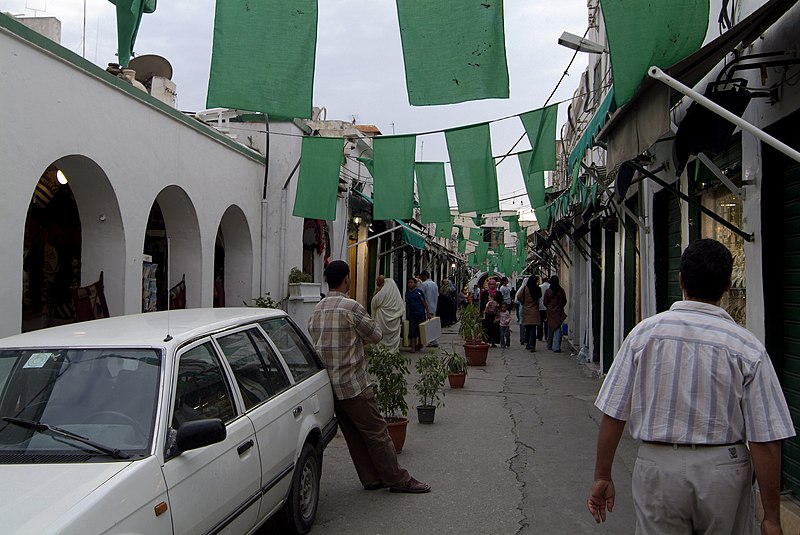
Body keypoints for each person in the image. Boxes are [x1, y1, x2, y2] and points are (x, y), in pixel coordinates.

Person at [587, 239, 794, 534]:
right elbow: (766, 437)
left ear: (681, 280)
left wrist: (602, 475)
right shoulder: (747, 347)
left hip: (658, 468)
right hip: (724, 472)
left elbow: (614, 411)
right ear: (726, 287)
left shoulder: (643, 335)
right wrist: (771, 517)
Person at [308, 261, 430, 494]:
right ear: (346, 279)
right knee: (377, 433)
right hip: (353, 384)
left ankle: (371, 478)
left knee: (353, 435)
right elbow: (376, 335)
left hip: (329, 387)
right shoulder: (350, 307)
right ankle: (398, 479)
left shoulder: (317, 309)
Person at [370, 275, 404, 352]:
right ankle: (392, 351)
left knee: (381, 335)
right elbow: (400, 306)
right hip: (394, 319)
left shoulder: (381, 293)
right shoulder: (395, 295)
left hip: (382, 318)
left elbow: (375, 302)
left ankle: (381, 350)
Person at [543, 275, 567, 352]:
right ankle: (557, 347)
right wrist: (559, 306)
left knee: (550, 328)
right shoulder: (561, 291)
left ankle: (549, 345)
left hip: (550, 311)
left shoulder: (548, 291)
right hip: (559, 310)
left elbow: (545, 302)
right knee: (557, 328)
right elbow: (564, 301)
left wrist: (550, 306)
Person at [405, 278, 428, 352]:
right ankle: (413, 347)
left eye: (411, 282)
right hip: (412, 314)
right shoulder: (407, 293)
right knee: (412, 330)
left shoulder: (419, 292)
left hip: (420, 313)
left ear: (415, 284)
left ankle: (420, 343)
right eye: (409, 282)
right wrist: (407, 314)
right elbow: (407, 304)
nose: (409, 284)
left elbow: (424, 303)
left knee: (420, 330)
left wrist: (428, 313)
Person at [521, 275, 542, 352]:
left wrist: (524, 302)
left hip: (526, 311)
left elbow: (519, 297)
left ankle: (528, 344)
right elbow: (540, 297)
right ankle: (532, 345)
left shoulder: (525, 289)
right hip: (535, 311)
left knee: (528, 328)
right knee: (533, 328)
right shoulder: (538, 289)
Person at [514, 277, 529, 345]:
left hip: (521, 308)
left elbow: (516, 299)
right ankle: (526, 338)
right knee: (527, 324)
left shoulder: (521, 289)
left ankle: (522, 338)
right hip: (527, 308)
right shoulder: (528, 289)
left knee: (522, 323)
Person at [538, 276, 550, 341]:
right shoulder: (550, 286)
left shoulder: (539, 287)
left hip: (540, 307)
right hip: (548, 307)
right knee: (547, 322)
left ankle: (540, 336)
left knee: (540, 323)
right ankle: (547, 336)